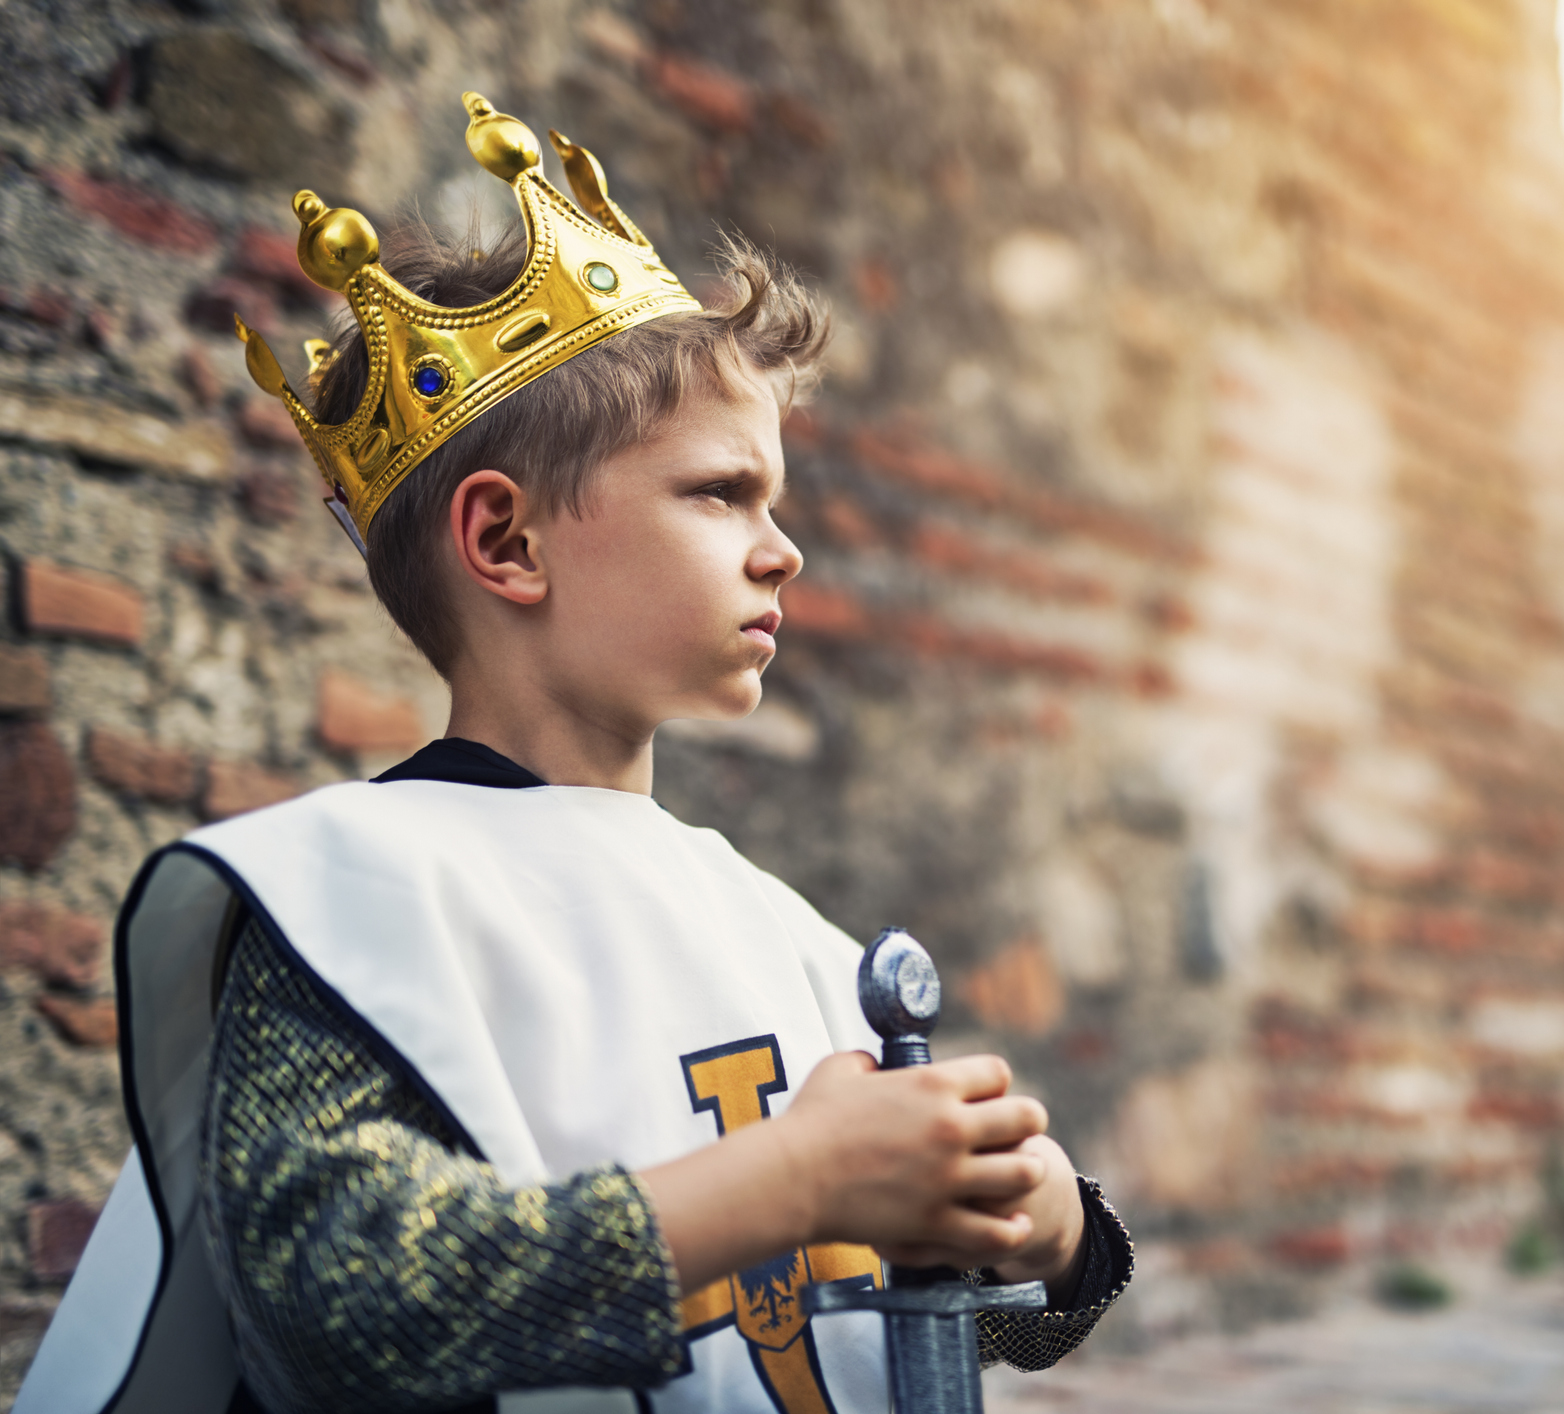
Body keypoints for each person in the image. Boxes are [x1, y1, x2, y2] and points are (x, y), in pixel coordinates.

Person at [18, 92, 1130, 1414]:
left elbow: (963, 1319)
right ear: (507, 544)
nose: (783, 550)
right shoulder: (349, 904)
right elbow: (338, 1302)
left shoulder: (776, 925)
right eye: (722, 493)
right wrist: (800, 1180)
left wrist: (1050, 1226)